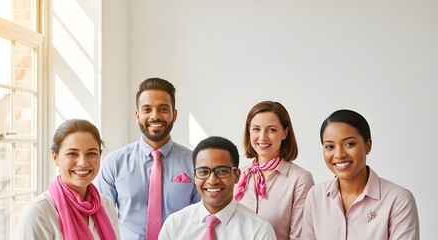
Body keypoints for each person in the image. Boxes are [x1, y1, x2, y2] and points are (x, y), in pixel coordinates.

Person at [96, 78, 200, 239]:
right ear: (137, 115)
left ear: (174, 114)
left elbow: (202, 216)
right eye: (147, 109)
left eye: (163, 109)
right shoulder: (114, 163)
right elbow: (101, 218)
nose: (155, 116)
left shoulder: (195, 162)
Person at [301, 109, 420, 239]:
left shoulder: (398, 200)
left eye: (349, 144)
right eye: (330, 146)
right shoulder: (316, 195)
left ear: (368, 145)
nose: (339, 154)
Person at [15, 119, 120, 239]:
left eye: (91, 153)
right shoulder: (39, 211)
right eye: (72, 154)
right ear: (55, 157)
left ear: (100, 156)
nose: (83, 163)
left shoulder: (105, 204)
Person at [159, 136, 277, 239]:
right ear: (195, 177)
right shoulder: (174, 225)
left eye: (222, 171)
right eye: (203, 172)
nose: (212, 181)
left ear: (236, 175)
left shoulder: (259, 231)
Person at [234, 101, 314, 239]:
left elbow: (300, 237)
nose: (263, 137)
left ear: (285, 133)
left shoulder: (300, 179)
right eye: (256, 129)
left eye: (272, 129)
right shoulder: (237, 176)